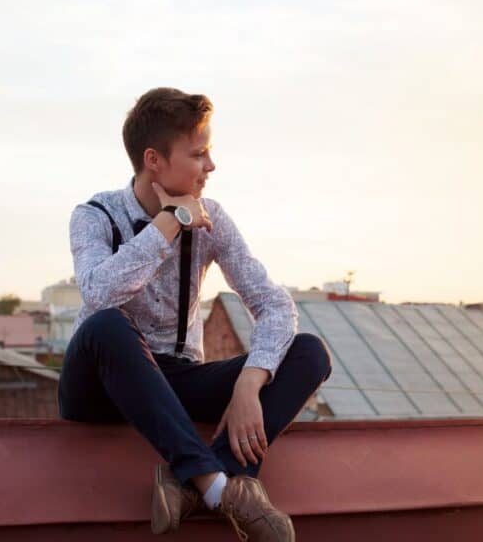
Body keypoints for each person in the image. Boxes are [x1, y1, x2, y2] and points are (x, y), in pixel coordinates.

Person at [58, 87, 332, 541]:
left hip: (175, 380)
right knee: (106, 324)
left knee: (308, 353)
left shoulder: (213, 219)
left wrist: (250, 381)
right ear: (154, 160)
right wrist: (171, 223)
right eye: (199, 154)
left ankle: (193, 484)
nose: (211, 166)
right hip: (102, 383)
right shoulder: (93, 216)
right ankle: (220, 487)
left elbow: (275, 305)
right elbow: (98, 293)